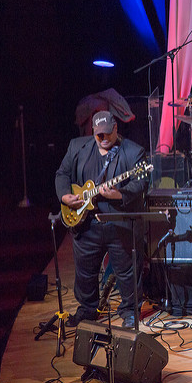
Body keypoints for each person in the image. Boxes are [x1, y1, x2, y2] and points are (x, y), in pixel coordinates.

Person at [55, 111, 149, 328]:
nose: (104, 138)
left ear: (116, 128)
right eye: (99, 135)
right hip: (86, 223)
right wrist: (65, 196)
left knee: (127, 272)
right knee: (85, 272)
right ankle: (87, 310)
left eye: (107, 133)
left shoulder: (133, 151)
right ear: (93, 132)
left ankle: (130, 312)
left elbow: (140, 183)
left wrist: (118, 194)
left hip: (119, 223)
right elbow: (62, 174)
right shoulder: (77, 147)